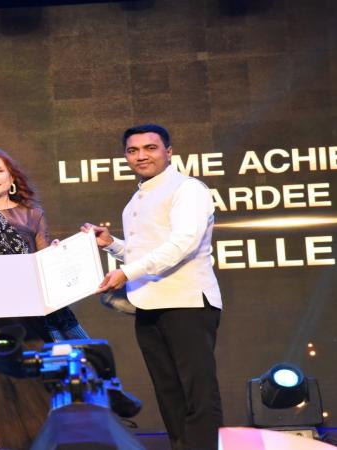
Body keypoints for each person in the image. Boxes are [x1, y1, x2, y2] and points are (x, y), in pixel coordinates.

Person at [82, 124, 223, 450]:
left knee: (198, 394)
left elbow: (183, 244)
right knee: (169, 394)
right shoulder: (137, 198)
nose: (141, 156)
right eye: (133, 150)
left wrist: (127, 272)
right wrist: (112, 244)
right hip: (148, 305)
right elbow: (144, 251)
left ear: (168, 152)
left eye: (150, 148)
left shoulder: (187, 189)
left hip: (187, 302)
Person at [0, 148, 88, 449]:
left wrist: (58, 253)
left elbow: (44, 260)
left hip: (27, 309)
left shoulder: (33, 215)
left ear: (11, 178)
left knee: (32, 377)